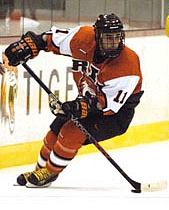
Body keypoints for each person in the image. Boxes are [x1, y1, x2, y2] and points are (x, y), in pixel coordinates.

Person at [4, 13, 144, 187]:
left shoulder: (127, 64)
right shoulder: (83, 38)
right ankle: (38, 170)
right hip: (87, 101)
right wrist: (32, 44)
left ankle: (50, 173)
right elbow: (50, 39)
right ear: (97, 36)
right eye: (108, 37)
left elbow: (106, 105)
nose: (114, 42)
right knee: (54, 131)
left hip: (114, 115)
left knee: (72, 131)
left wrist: (80, 106)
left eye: (117, 37)